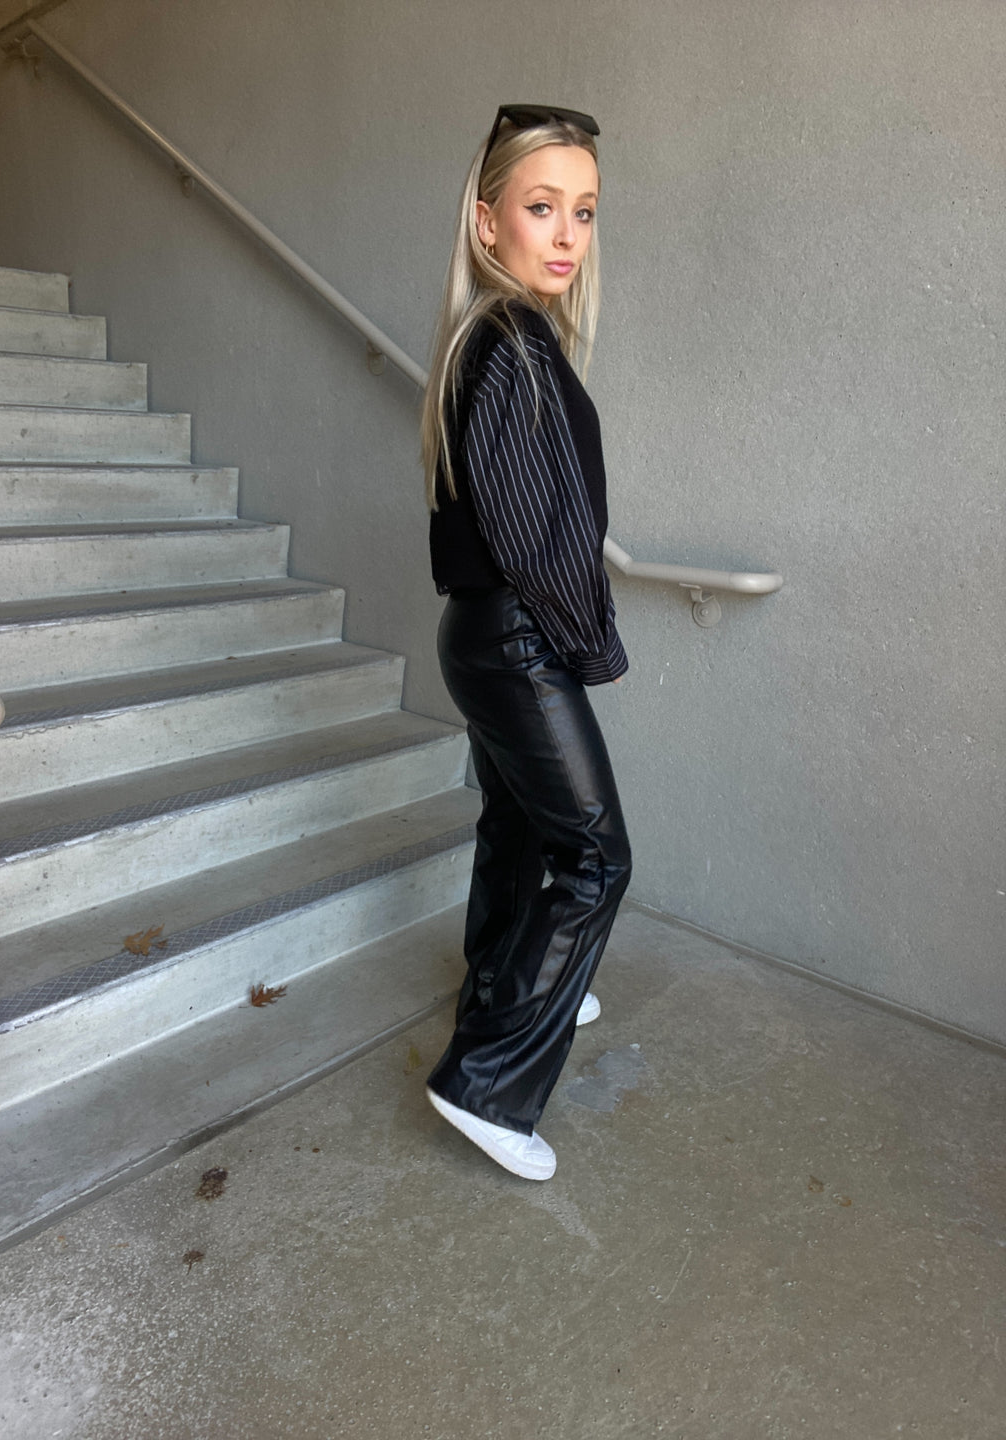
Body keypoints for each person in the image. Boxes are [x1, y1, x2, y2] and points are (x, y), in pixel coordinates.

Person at [421, 105, 632, 1181]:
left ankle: (514, 989)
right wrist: (591, 644)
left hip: (485, 632)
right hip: (513, 636)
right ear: (486, 219)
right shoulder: (510, 343)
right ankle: (486, 1081)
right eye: (541, 206)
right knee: (597, 858)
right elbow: (531, 539)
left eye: (582, 212)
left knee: (518, 831)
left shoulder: (501, 337)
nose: (565, 234)